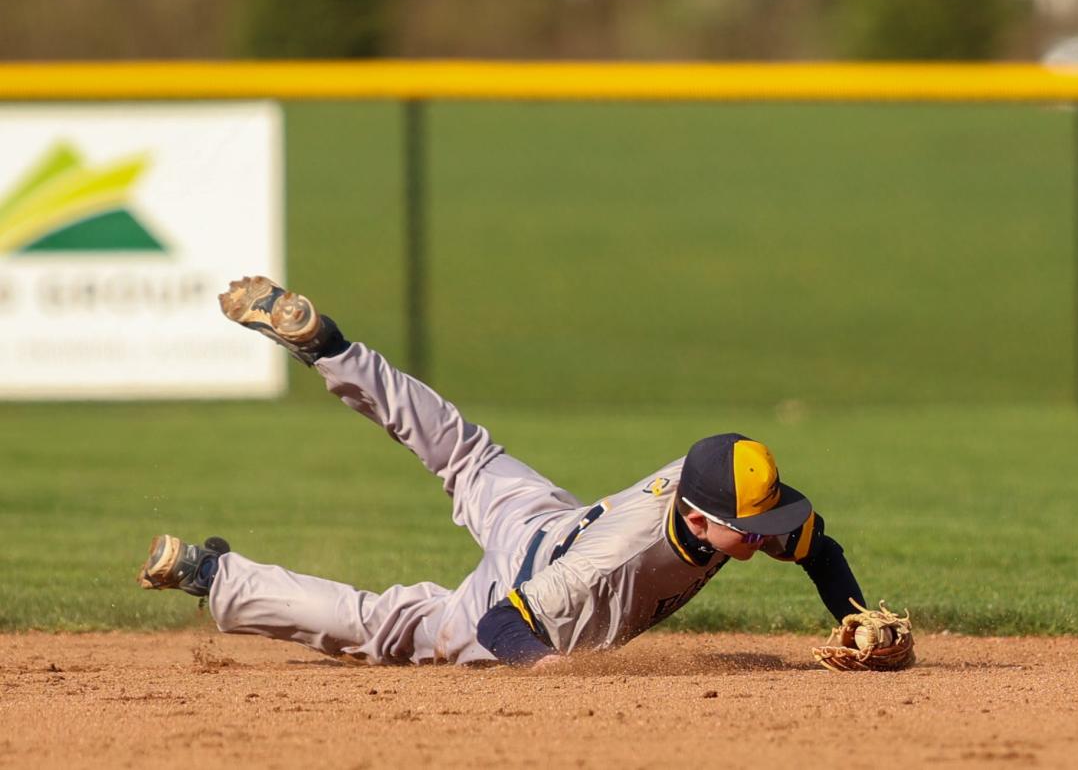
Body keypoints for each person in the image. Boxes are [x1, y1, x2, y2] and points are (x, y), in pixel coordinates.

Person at [138, 276, 866, 667]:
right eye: (754, 527)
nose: (768, 533)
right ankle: (211, 577)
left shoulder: (725, 484)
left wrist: (857, 621)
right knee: (390, 628)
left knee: (463, 450)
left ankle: (330, 350)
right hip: (531, 585)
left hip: (546, 517)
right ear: (700, 518)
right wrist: (562, 677)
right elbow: (502, 623)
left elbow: (818, 547)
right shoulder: (612, 564)